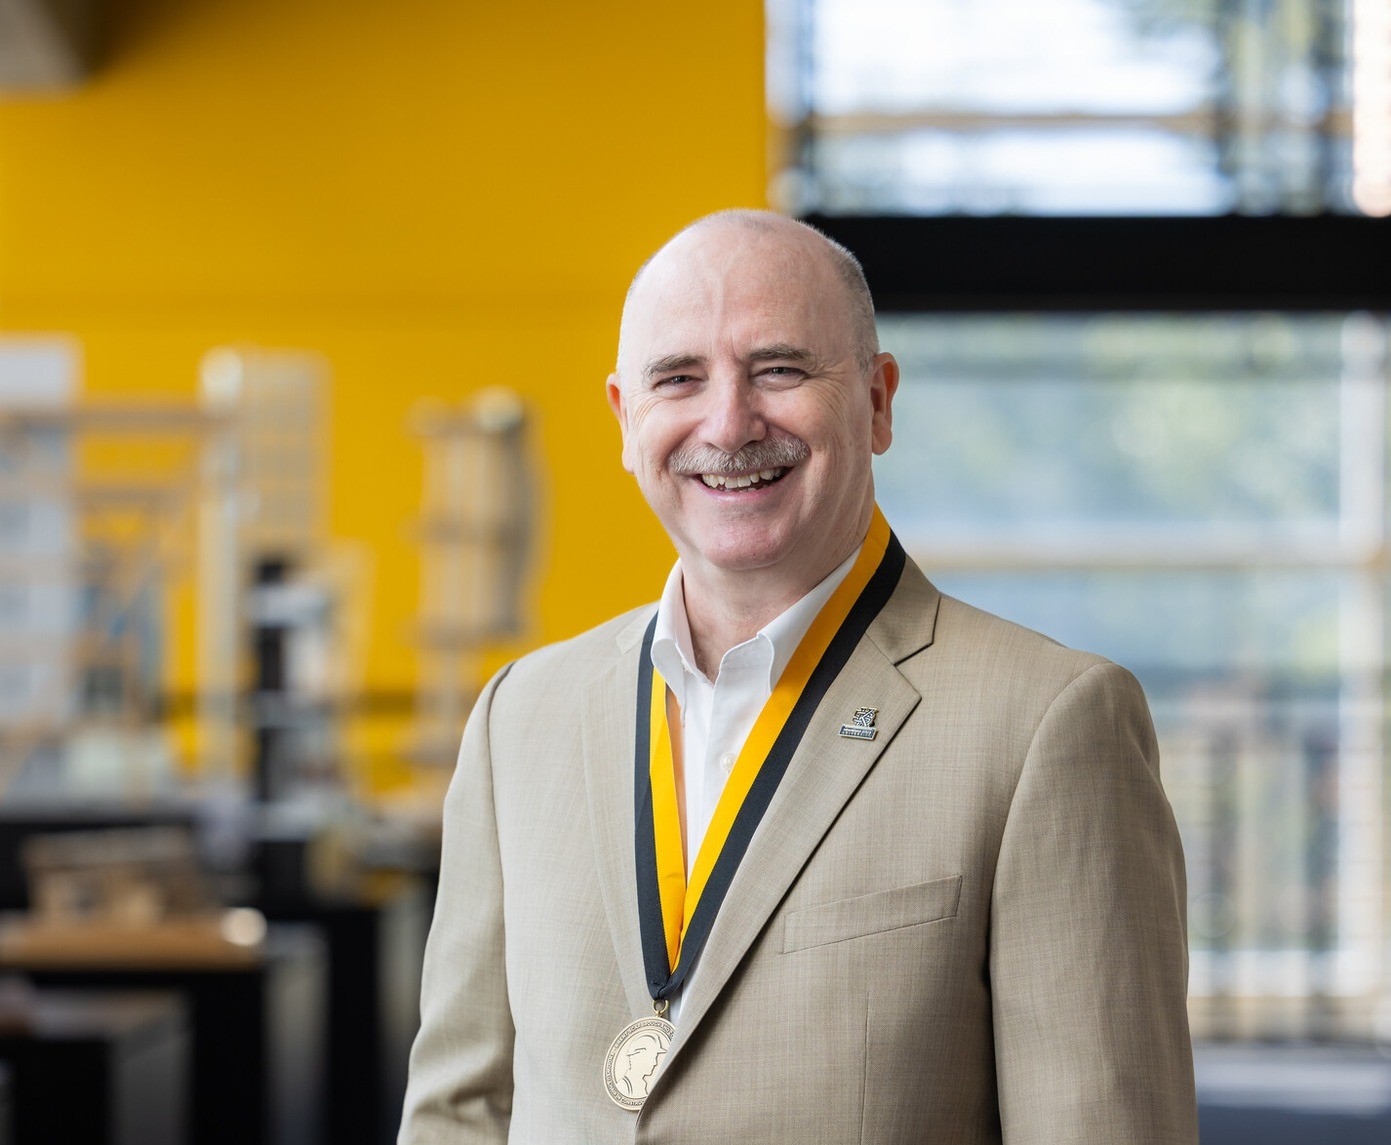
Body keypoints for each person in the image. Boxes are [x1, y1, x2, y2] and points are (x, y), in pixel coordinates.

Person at [398, 210, 1197, 1143]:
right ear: (624, 418)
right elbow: (458, 1113)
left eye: (778, 368)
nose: (728, 423)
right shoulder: (518, 717)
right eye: (678, 378)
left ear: (877, 401)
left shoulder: (1046, 724)